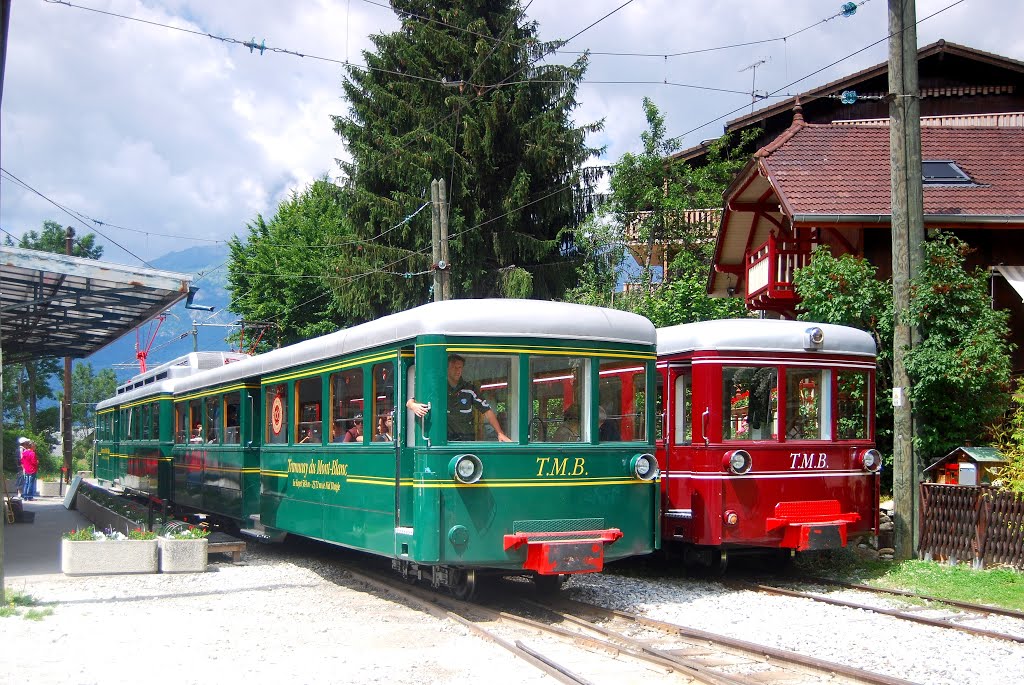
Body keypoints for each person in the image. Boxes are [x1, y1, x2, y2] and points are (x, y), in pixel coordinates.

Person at [407, 354, 511, 442]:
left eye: (460, 367)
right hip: (445, 439)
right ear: (447, 368)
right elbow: (410, 402)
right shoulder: (438, 388)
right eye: (454, 368)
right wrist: (413, 406)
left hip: (466, 439)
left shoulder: (470, 390)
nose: (458, 371)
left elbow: (487, 411)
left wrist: (500, 433)